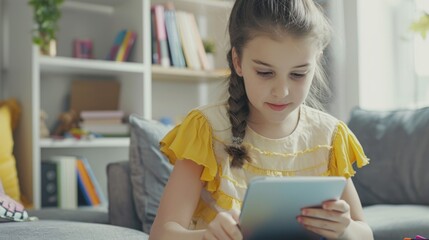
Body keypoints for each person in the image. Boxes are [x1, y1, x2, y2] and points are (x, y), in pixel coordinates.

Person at [150, 0, 373, 239]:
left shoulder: (329, 136)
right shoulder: (206, 130)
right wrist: (206, 236)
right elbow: (162, 234)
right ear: (237, 61)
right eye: (265, 73)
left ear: (316, 61)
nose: (282, 91)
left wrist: (345, 229)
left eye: (298, 74)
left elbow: (365, 233)